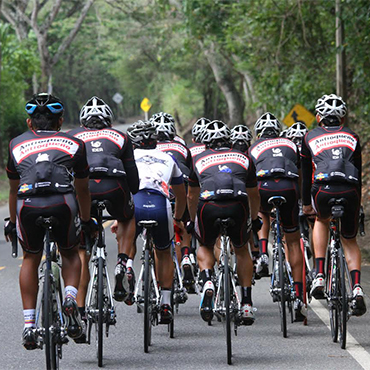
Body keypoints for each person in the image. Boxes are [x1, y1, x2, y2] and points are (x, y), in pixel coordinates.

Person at [4, 93, 94, 349]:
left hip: (27, 204)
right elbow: (83, 189)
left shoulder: (15, 144)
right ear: (60, 121)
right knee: (70, 251)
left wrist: (12, 222)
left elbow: (13, 190)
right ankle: (70, 298)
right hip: (62, 201)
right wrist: (86, 221)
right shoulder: (74, 143)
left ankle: (29, 325)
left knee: (31, 257)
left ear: (29, 123)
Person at [68, 96, 139, 341]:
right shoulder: (121, 137)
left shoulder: (72, 137)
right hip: (114, 185)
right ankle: (121, 262)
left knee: (81, 252)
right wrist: (130, 196)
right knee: (128, 217)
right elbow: (134, 179)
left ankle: (78, 309)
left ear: (82, 121)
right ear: (108, 120)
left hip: (84, 188)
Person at [187, 120, 261, 325]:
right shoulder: (244, 157)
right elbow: (254, 195)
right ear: (228, 139)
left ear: (205, 142)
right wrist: (254, 220)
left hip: (208, 205)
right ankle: (246, 303)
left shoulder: (198, 158)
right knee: (242, 249)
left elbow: (192, 196)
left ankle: (208, 279)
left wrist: (192, 221)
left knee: (205, 245)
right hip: (238, 205)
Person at [301, 94, 366, 316]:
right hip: (349, 191)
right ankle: (357, 288)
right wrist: (358, 205)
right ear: (342, 118)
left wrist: (305, 205)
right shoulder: (352, 136)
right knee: (349, 240)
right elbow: (356, 174)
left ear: (319, 117)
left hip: (322, 190)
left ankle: (319, 274)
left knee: (321, 220)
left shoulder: (309, 136)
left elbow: (306, 174)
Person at [126, 120, 187, 323]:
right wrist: (177, 219)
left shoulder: (128, 157)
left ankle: (126, 268)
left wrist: (119, 219)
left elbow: (121, 190)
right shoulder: (168, 158)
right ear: (155, 141)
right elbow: (180, 194)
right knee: (163, 252)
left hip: (136, 202)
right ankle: (166, 303)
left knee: (126, 237)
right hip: (161, 204)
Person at [249, 112, 306, 321]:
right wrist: (301, 200)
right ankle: (299, 296)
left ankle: (263, 252)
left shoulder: (253, 148)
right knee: (292, 241)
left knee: (263, 211)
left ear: (258, 134)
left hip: (263, 186)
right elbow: (299, 174)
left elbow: (249, 181)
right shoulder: (290, 144)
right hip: (289, 186)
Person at [151, 112, 195, 291]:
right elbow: (192, 174)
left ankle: (158, 281)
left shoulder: (149, 147)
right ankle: (185, 255)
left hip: (157, 190)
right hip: (179, 187)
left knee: (157, 240)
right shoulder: (181, 145)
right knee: (182, 225)